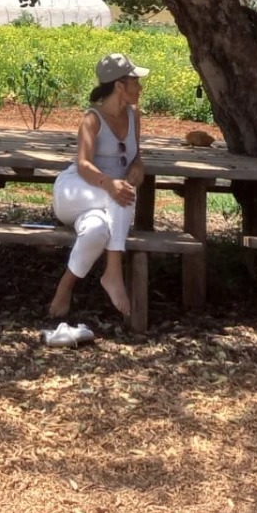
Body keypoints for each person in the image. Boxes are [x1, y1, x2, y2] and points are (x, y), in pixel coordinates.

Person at [48, 52, 149, 320]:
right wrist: (108, 183)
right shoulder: (91, 119)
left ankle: (65, 287)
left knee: (96, 230)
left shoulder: (134, 115)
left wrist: (137, 165)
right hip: (75, 192)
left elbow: (135, 154)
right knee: (122, 195)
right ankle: (113, 272)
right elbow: (82, 164)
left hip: (106, 200)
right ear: (119, 85)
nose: (140, 87)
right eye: (135, 81)